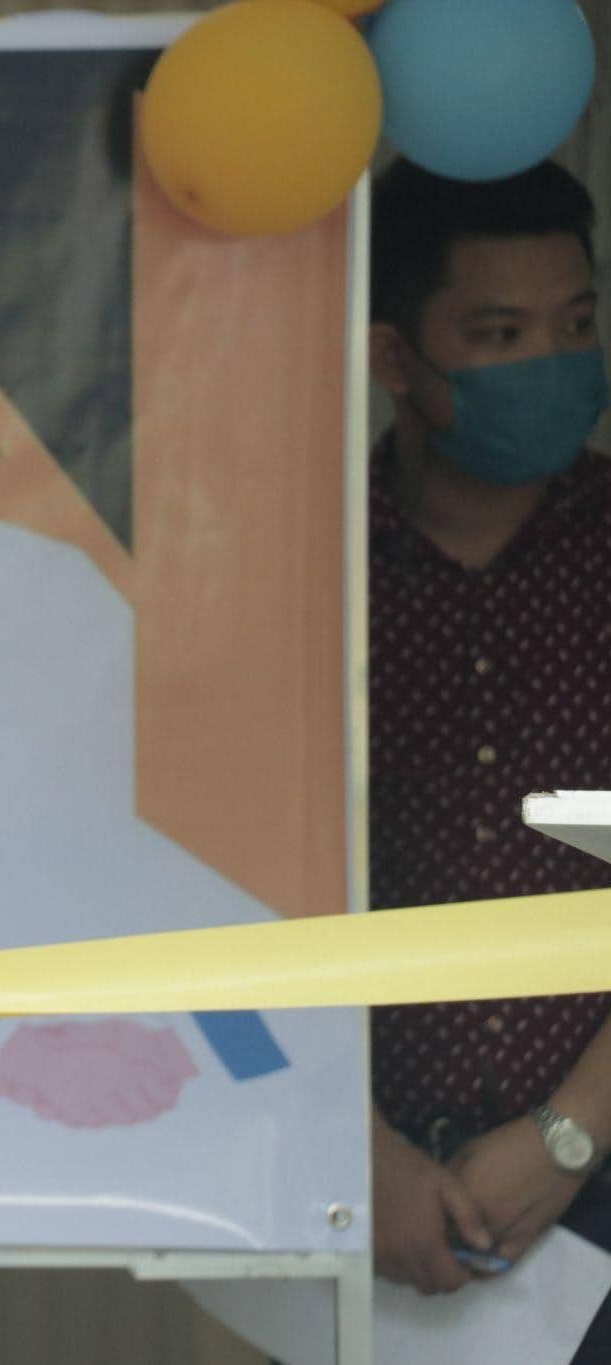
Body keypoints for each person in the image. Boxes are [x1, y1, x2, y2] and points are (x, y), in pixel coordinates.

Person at [365, 157, 611, 1339]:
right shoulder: (300, 575)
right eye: (501, 333)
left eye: (575, 326)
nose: (551, 367)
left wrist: (568, 1134)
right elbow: (222, 878)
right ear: (392, 359)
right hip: (342, 1205)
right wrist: (354, 1152)